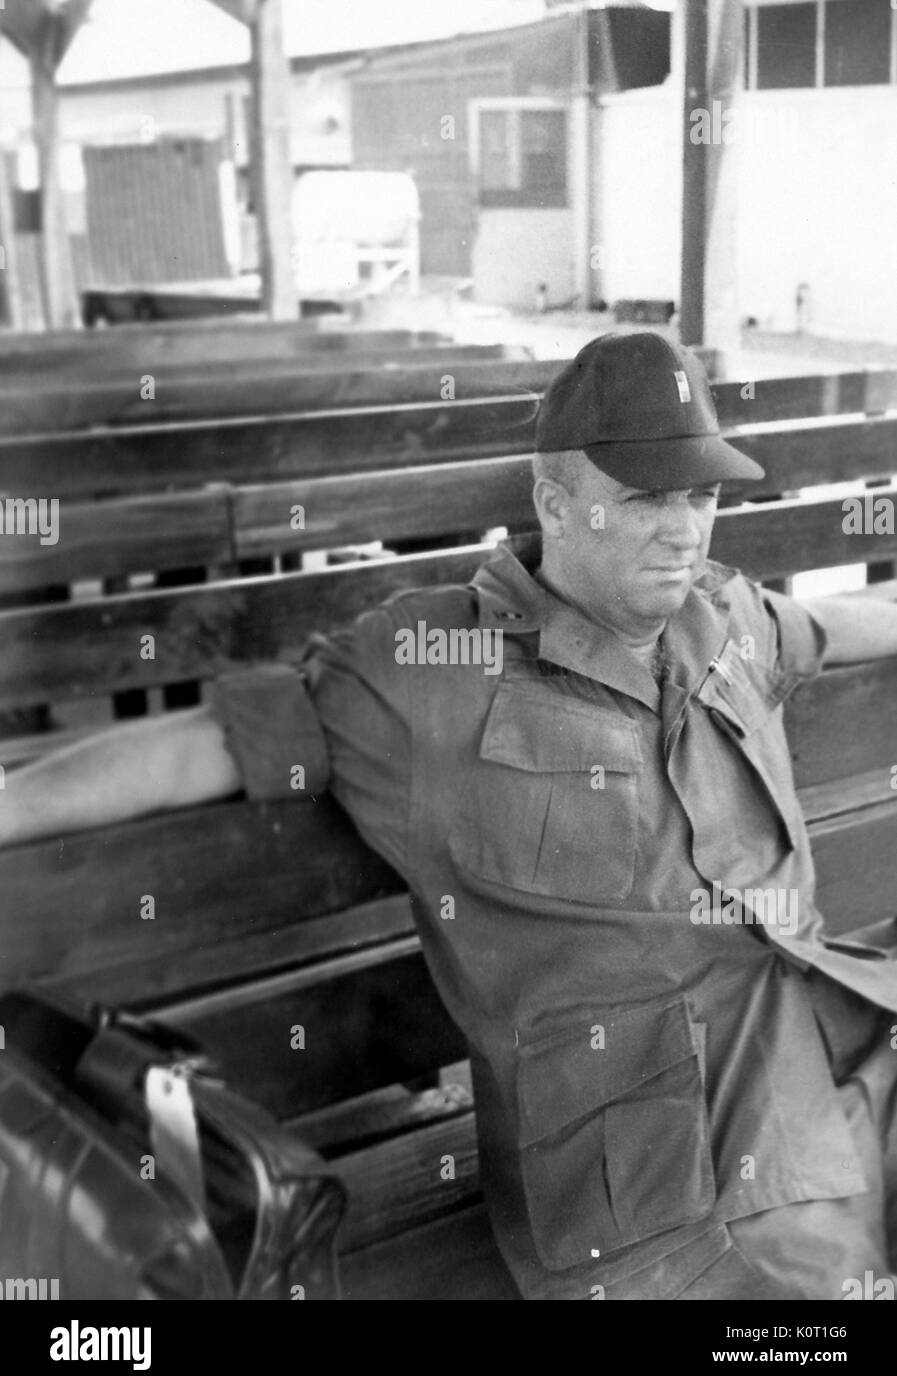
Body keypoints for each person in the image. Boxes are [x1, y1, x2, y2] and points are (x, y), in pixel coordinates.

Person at [4, 332, 897, 1300]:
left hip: (839, 1043)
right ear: (555, 501)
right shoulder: (427, 670)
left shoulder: (726, 616)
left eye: (703, 495)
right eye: (646, 498)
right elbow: (203, 744)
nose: (686, 531)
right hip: (670, 1184)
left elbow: (838, 626)